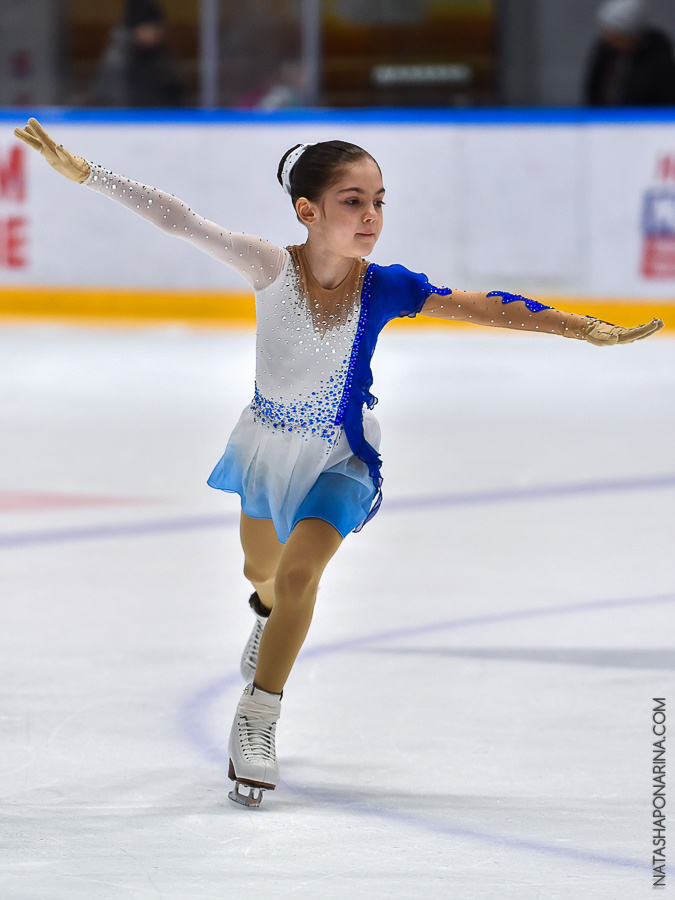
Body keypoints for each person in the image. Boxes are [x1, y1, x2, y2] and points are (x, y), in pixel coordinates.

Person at [14, 118, 664, 808]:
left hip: (340, 454)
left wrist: (578, 326)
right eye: (353, 200)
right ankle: (263, 611)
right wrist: (90, 175)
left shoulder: (382, 287)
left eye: (379, 200)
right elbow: (180, 221)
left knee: (300, 574)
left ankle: (258, 719)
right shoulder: (269, 266)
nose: (371, 216)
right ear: (308, 209)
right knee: (262, 573)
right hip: (266, 447)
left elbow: (477, 306)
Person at [90, 0, 184, 107]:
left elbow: (175, 95)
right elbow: (115, 102)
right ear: (136, 28)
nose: (158, 33)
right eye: (151, 27)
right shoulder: (118, 60)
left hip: (161, 120)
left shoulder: (162, 56)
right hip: (129, 121)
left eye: (158, 27)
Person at [584, 0, 675, 106]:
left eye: (613, 33)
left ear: (629, 34)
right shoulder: (605, 52)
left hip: (642, 119)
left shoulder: (659, 61)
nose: (607, 38)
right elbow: (593, 89)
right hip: (604, 118)